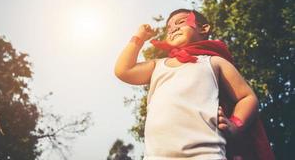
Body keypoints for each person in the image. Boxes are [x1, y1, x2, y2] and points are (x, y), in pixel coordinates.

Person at [114, 9, 274, 160]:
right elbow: (124, 70)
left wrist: (235, 124)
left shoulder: (214, 62)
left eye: (181, 22)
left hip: (206, 154)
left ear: (203, 28)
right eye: (168, 27)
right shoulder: (158, 65)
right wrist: (138, 38)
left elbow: (247, 97)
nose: (173, 29)